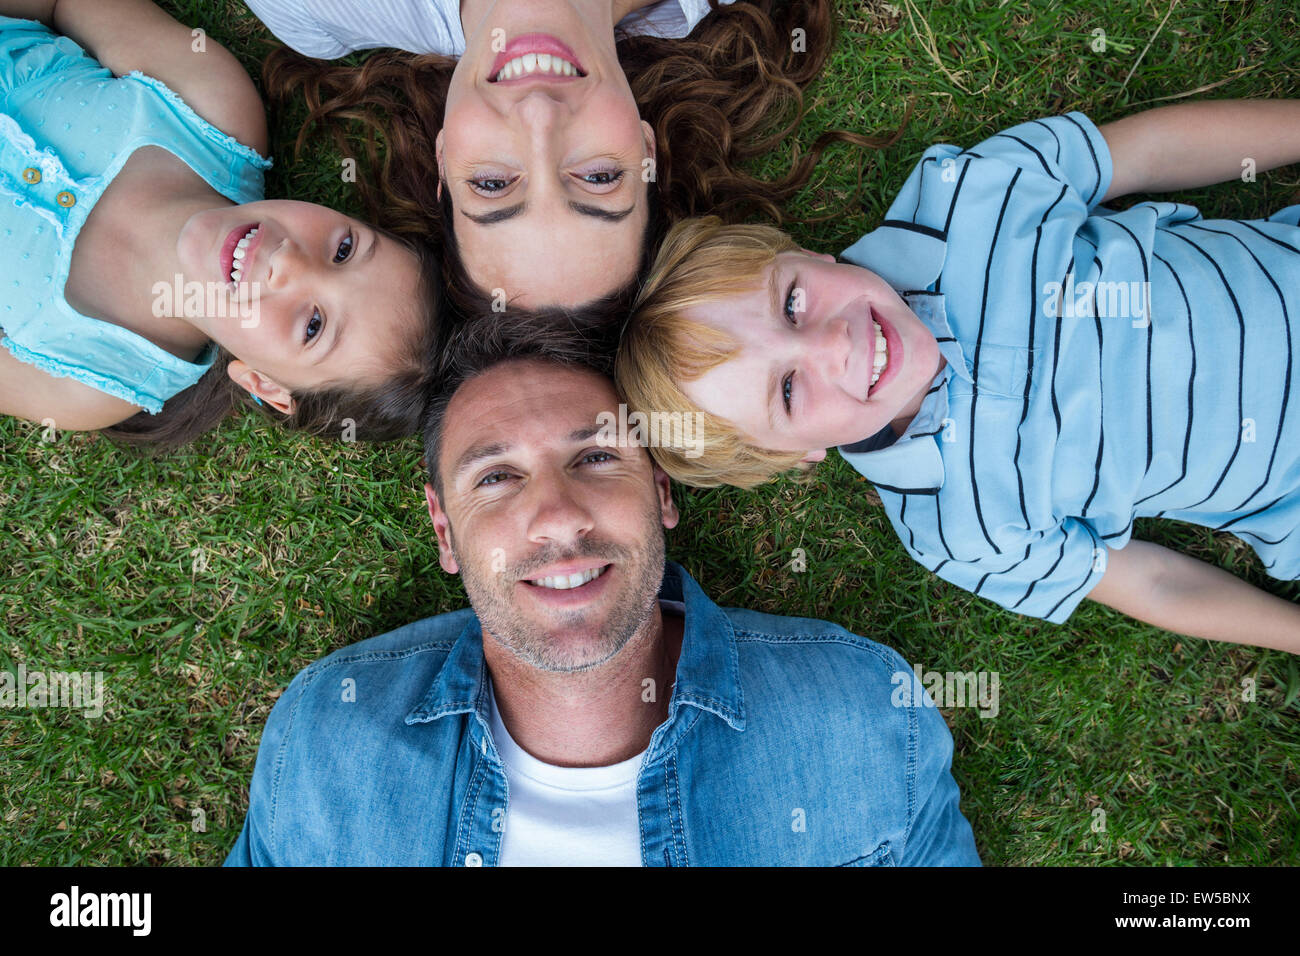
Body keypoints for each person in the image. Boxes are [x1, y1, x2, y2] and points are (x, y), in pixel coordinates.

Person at [225, 330, 981, 866]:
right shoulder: (330, 740)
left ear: (661, 490)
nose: (556, 516)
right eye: (496, 477)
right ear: (444, 531)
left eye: (594, 457)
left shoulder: (860, 715)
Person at [615, 100, 1300, 652]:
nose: (836, 344)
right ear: (797, 457)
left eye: (793, 301)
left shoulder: (966, 198)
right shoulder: (955, 530)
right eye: (789, 391)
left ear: (807, 254)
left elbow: (1148, 153)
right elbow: (1152, 582)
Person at [254, 0, 892, 312]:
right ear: (644, 146)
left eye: (495, 183)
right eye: (599, 176)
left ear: (445, 159)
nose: (537, 115)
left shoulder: (309, 8)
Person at [0, 1, 440, 447]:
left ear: (264, 385)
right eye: (344, 249)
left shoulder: (92, 382)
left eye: (313, 326)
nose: (289, 262)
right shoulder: (211, 110)